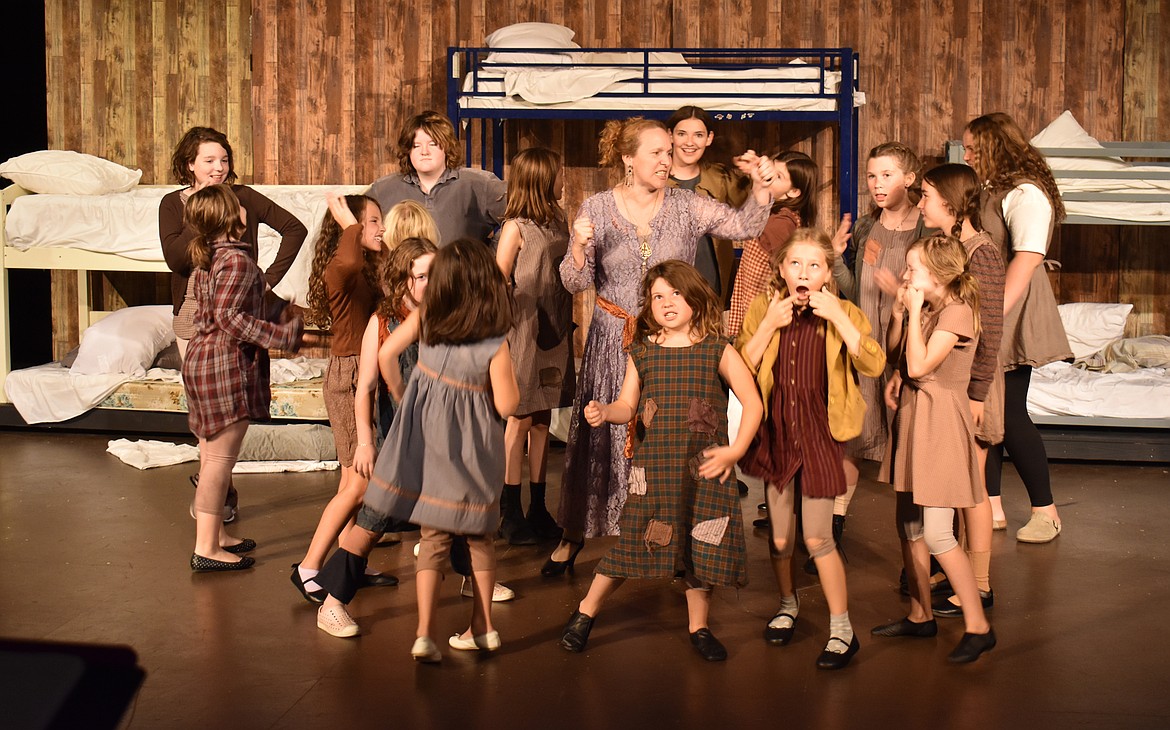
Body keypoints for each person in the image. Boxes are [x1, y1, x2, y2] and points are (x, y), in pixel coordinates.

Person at [545, 117, 774, 577]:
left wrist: (762, 188)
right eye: (657, 152)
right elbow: (574, 282)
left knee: (663, 442)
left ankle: (664, 541)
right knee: (602, 439)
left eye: (670, 152)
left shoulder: (689, 206)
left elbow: (746, 226)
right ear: (628, 159)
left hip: (670, 346)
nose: (667, 160)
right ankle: (576, 534)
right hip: (613, 340)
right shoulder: (598, 208)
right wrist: (578, 248)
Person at [313, 240, 519, 666]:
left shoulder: (452, 321)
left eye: (432, 274)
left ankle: (473, 590)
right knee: (373, 521)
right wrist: (369, 438)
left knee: (459, 517)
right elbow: (368, 382)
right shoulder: (386, 321)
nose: (427, 283)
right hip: (402, 439)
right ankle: (332, 600)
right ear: (404, 278)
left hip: (448, 443)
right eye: (420, 275)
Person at [558, 261, 762, 661]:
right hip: (654, 471)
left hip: (703, 469)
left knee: (701, 545)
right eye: (657, 297)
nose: (667, 303)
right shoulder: (643, 351)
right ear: (648, 306)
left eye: (676, 294)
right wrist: (605, 411)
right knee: (631, 542)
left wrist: (736, 450)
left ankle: (699, 627)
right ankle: (584, 613)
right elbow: (627, 404)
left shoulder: (716, 349)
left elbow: (753, 403)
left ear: (696, 298)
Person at [736, 227, 885, 670]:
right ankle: (787, 604)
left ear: (826, 272)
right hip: (777, 432)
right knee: (781, 538)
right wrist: (767, 326)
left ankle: (842, 630)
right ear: (781, 270)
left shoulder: (844, 310)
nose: (804, 272)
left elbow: (873, 362)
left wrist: (838, 317)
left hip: (821, 437)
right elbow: (740, 366)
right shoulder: (765, 307)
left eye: (814, 265)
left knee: (817, 536)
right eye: (795, 264)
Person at [160, 126, 308, 523]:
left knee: (231, 415)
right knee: (209, 422)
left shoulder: (243, 199)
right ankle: (218, 500)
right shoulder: (175, 205)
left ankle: (214, 498)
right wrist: (206, 213)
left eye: (223, 160)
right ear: (189, 165)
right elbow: (176, 259)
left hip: (236, 309)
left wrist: (268, 279)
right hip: (195, 316)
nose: (218, 168)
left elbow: (295, 228)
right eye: (208, 161)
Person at [875, 235, 996, 663]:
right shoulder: (928, 308)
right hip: (913, 418)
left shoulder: (958, 312)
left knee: (940, 532)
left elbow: (919, 366)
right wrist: (898, 313)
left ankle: (979, 626)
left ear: (939, 275)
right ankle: (920, 614)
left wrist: (910, 312)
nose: (907, 276)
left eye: (914, 269)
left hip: (940, 423)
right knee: (908, 523)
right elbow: (893, 356)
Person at [963, 113, 1072, 543]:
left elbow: (1024, 260)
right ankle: (990, 503)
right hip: (987, 301)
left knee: (1008, 409)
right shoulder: (989, 190)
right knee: (982, 406)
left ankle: (1046, 510)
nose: (968, 155)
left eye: (973, 148)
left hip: (1012, 303)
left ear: (995, 148)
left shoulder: (1026, 194)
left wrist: (991, 315)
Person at [182, 184, 302, 571]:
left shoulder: (209, 258)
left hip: (204, 360)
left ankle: (216, 535)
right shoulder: (235, 261)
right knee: (218, 461)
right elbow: (230, 318)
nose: (244, 207)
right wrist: (281, 336)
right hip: (222, 363)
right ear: (230, 217)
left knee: (211, 457)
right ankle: (206, 548)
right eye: (237, 205)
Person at [290, 192, 396, 602]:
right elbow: (350, 259)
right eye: (373, 221)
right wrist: (347, 220)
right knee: (355, 485)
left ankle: (350, 559)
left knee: (357, 483)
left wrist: (368, 234)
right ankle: (309, 567)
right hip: (350, 377)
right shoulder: (342, 268)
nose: (380, 228)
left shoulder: (366, 271)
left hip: (365, 373)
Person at [828, 142, 929, 561]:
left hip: (907, 350)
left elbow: (940, 290)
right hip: (865, 349)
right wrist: (834, 259)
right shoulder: (868, 227)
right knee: (853, 439)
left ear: (909, 178)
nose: (877, 184)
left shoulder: (927, 229)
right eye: (872, 176)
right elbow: (854, 290)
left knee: (910, 452)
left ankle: (920, 557)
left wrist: (904, 295)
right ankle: (832, 528)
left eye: (886, 175)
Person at [916, 163, 1005, 617]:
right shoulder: (950, 247)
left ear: (949, 201)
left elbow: (990, 329)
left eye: (927, 195)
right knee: (954, 484)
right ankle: (957, 571)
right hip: (953, 382)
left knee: (972, 485)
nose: (920, 203)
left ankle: (981, 584)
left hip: (973, 385)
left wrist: (977, 393)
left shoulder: (981, 252)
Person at [495, 147, 576, 545]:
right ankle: (510, 510)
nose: (564, 180)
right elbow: (497, 279)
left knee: (543, 415)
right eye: (558, 174)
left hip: (556, 324)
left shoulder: (558, 218)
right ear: (542, 178)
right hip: (524, 328)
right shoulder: (516, 227)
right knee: (520, 416)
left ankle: (538, 506)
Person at [367, 110, 506, 246]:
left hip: (459, 269)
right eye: (416, 146)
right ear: (408, 150)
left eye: (432, 144)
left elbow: (522, 218)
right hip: (401, 268)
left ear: (446, 146)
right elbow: (355, 228)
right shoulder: (382, 189)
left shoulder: (479, 183)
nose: (424, 152)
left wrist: (496, 255)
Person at [728, 150, 818, 338]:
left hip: (762, 317)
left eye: (778, 177)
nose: (768, 177)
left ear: (793, 191)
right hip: (757, 311)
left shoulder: (780, 224)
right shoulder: (776, 214)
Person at [666, 106, 751, 300]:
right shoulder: (656, 177)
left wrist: (754, 176)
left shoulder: (720, 177)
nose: (689, 142)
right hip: (668, 285)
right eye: (681, 134)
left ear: (709, 138)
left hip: (711, 282)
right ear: (670, 136)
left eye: (698, 135)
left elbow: (749, 212)